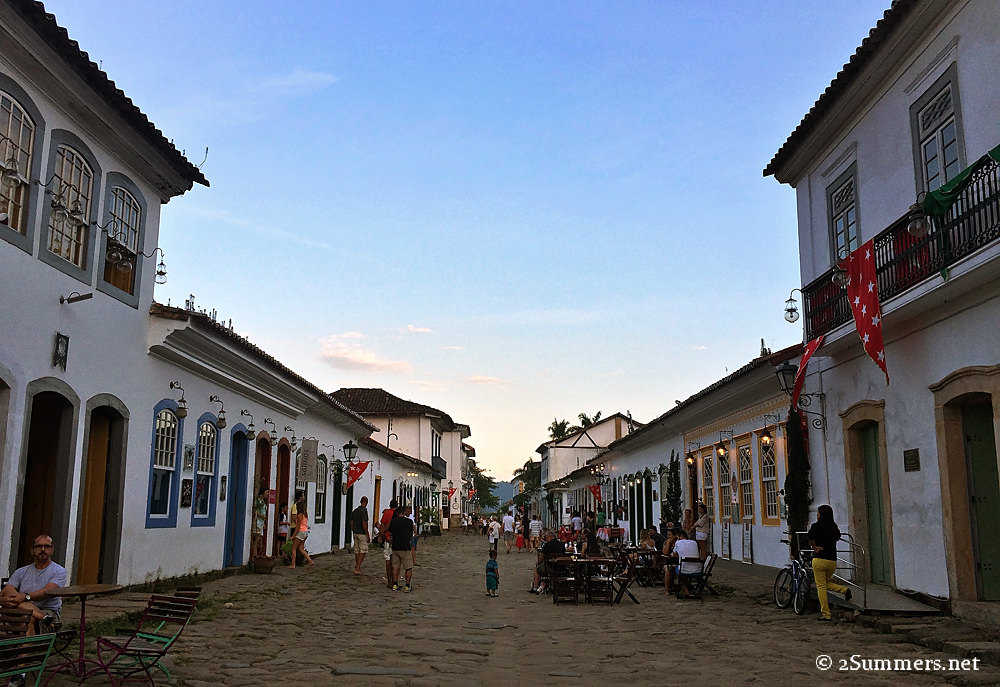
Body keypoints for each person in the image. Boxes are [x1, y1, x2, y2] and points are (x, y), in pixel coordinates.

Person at [1, 534, 67, 634]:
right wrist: (11, 599)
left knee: (27, 616)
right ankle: (44, 619)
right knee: (23, 611)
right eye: (39, 546)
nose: (43, 549)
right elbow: (7, 590)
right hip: (22, 607)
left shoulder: (59, 571)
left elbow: (47, 592)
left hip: (47, 609)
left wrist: (24, 597)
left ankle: (24, 646)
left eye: (47, 546)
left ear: (52, 550)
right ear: (32, 550)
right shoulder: (21, 571)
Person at [808, 504, 851, 621]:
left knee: (821, 587)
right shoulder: (833, 527)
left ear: (821, 515)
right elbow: (837, 537)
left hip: (819, 559)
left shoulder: (816, 526)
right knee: (824, 583)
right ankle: (844, 590)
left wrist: (814, 546)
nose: (816, 515)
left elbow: (810, 537)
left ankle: (826, 614)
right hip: (832, 560)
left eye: (818, 513)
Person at [665, 528, 700, 595]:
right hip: (697, 569)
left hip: (684, 570)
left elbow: (673, 554)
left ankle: (684, 588)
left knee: (674, 568)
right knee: (680, 567)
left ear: (681, 536)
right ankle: (686, 588)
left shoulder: (678, 543)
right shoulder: (694, 542)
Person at [389, 505, 415, 592]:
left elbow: (391, 533)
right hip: (405, 547)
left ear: (397, 513)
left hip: (395, 546)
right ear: (404, 512)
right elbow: (411, 535)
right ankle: (407, 586)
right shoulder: (409, 522)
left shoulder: (393, 521)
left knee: (395, 566)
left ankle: (395, 585)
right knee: (408, 567)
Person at [530, 530, 566, 594]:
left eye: (546, 537)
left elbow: (541, 557)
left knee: (536, 568)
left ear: (550, 537)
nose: (545, 538)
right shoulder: (561, 544)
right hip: (561, 567)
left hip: (549, 567)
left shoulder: (547, 545)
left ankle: (535, 587)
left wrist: (538, 562)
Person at [376, 499, 399, 589]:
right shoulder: (398, 513)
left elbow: (382, 525)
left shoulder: (386, 513)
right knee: (396, 561)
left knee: (388, 559)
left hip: (387, 538)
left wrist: (380, 536)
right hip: (396, 539)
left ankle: (389, 581)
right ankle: (395, 580)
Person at [288, 496, 314, 569]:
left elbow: (297, 527)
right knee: (301, 548)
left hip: (301, 532)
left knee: (293, 548)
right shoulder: (305, 515)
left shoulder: (299, 515)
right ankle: (310, 560)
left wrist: (293, 536)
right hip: (305, 531)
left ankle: (293, 564)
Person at [351, 495, 370, 575]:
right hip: (362, 533)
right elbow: (364, 523)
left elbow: (351, 522)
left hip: (355, 532)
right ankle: (358, 568)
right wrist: (367, 533)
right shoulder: (364, 511)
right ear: (366, 502)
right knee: (363, 550)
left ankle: (357, 566)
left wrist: (353, 530)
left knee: (357, 550)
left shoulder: (355, 511)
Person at [251, 487, 267, 559]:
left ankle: (257, 554)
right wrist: (262, 516)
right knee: (257, 539)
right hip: (258, 521)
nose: (267, 494)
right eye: (266, 492)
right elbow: (256, 511)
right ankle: (255, 555)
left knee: (259, 539)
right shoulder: (258, 502)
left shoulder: (262, 501)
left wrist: (264, 522)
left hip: (261, 522)